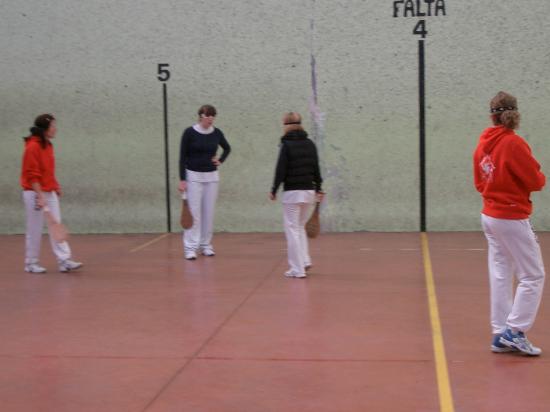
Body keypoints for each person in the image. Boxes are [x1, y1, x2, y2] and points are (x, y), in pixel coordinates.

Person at [473, 91, 546, 356]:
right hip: (511, 215)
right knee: (533, 274)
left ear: (492, 115)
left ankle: (500, 332)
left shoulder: (483, 143)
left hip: (490, 215)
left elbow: (479, 181)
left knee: (501, 272)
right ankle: (515, 331)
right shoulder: (513, 144)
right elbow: (535, 180)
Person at [20, 114, 83, 273]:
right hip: (34, 192)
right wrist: (40, 195)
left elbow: (48, 170)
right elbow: (31, 174)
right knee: (34, 228)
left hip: (49, 191)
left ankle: (64, 260)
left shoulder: (48, 145)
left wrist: (55, 186)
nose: (56, 129)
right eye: (53, 126)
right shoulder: (32, 146)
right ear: (45, 129)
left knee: (56, 223)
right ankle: (31, 263)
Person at [270, 112, 323, 278]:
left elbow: (281, 169)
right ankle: (305, 261)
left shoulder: (285, 145)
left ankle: (297, 269)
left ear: (286, 125)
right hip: (308, 192)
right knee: (299, 227)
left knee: (292, 229)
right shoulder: (310, 144)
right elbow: (316, 167)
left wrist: (274, 189)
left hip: (292, 193)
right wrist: (319, 187)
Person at [178, 105, 231, 260]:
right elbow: (182, 157)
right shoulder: (189, 133)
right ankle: (190, 247)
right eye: (208, 116)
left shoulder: (217, 132)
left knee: (208, 213)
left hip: (211, 177)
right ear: (201, 116)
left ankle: (206, 245)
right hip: (193, 176)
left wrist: (219, 160)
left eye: (213, 116)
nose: (211, 119)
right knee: (194, 214)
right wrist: (182, 179)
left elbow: (227, 148)